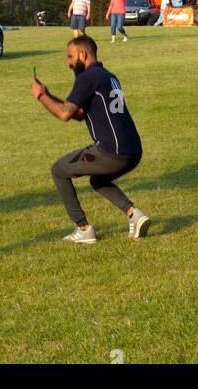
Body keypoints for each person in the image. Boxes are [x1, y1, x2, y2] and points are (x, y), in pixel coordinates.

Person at [31, 34, 150, 243]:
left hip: (112, 152)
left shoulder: (87, 77)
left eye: (70, 57)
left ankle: (83, 229)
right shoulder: (107, 76)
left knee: (59, 170)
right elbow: (79, 114)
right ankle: (134, 214)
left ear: (83, 54)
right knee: (98, 179)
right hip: (133, 151)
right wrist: (49, 95)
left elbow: (64, 114)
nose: (68, 63)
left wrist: (41, 95)